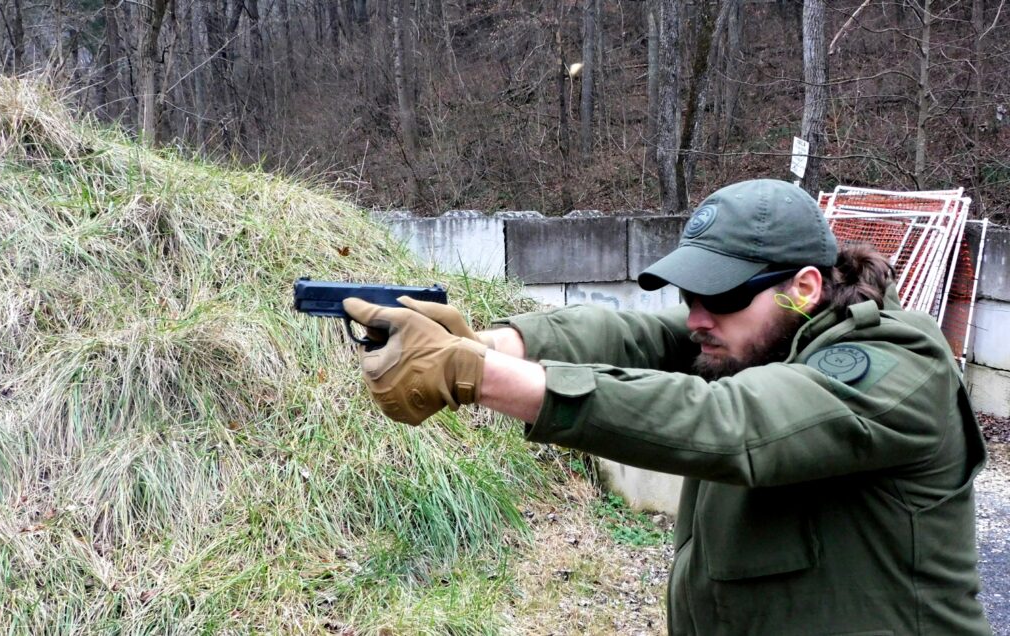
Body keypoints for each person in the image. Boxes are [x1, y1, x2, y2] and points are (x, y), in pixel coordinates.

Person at [342, 179, 992, 635]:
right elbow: (632, 336)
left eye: (722, 296)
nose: (697, 317)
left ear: (805, 287)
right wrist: (483, 342)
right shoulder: (759, 338)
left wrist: (472, 376)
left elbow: (735, 427)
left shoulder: (896, 363)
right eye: (689, 295)